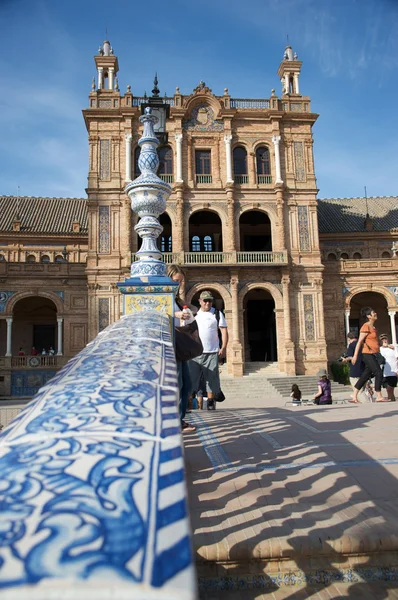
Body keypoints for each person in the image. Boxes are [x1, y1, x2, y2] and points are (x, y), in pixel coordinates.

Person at [168, 264, 196, 433]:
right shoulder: (163, 297)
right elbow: (150, 312)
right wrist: (176, 314)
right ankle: (176, 421)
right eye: (176, 281)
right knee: (178, 383)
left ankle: (180, 417)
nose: (178, 285)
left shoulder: (176, 300)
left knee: (187, 384)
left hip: (180, 345)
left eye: (180, 282)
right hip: (171, 346)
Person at [189, 290, 228, 411]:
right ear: (200, 301)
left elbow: (224, 331)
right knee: (192, 377)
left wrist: (224, 348)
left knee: (211, 377)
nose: (207, 303)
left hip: (212, 351)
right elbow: (187, 331)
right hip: (195, 352)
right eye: (205, 301)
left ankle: (210, 402)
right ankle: (189, 402)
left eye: (210, 301)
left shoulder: (217, 313)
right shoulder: (194, 315)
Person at [352, 306, 388, 403]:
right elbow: (359, 341)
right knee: (378, 372)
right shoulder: (366, 326)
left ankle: (354, 395)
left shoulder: (373, 327)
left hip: (374, 353)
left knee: (365, 375)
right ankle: (379, 395)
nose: (375, 313)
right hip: (367, 354)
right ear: (368, 316)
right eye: (373, 312)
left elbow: (375, 342)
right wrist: (355, 355)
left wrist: (386, 346)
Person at [342, 331, 367, 404]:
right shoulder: (362, 344)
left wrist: (345, 359)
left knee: (359, 390)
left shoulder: (352, 345)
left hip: (355, 370)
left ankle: (367, 404)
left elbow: (350, 357)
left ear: (349, 338)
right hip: (364, 370)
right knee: (362, 389)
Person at [379, 333, 398, 402]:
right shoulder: (380, 349)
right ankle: (392, 400)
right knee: (388, 389)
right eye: (382, 339)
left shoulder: (393, 348)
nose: (384, 340)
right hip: (384, 372)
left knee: (390, 389)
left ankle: (391, 399)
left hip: (393, 371)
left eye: (385, 339)